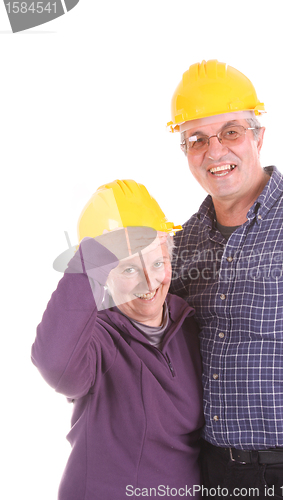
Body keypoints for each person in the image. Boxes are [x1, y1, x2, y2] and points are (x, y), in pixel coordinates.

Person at [167, 60, 283, 498]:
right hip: (216, 471)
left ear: (259, 136)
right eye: (196, 140)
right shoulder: (183, 242)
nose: (214, 151)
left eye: (231, 132)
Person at [31, 180, 204, 500]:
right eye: (128, 270)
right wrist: (94, 252)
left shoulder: (190, 325)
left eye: (157, 262)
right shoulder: (98, 340)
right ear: (104, 276)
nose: (149, 282)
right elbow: (55, 364)